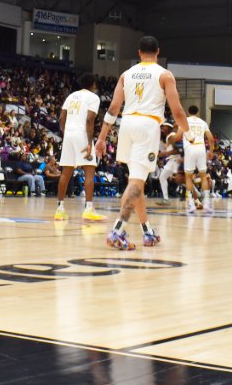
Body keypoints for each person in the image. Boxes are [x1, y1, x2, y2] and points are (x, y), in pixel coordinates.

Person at [94, 36, 188, 250]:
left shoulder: (126, 75)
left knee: (137, 182)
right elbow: (178, 111)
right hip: (147, 126)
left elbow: (112, 108)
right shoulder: (164, 74)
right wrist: (189, 134)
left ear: (138, 53)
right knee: (136, 184)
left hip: (125, 125)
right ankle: (117, 230)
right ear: (158, 52)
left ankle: (147, 231)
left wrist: (101, 138)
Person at [54, 72, 105, 222]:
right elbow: (90, 119)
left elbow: (61, 118)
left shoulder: (71, 96)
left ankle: (60, 209)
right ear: (93, 84)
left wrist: (66, 134)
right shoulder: (93, 97)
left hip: (69, 134)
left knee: (66, 172)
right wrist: (89, 142)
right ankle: (88, 209)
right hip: (82, 134)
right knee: (89, 170)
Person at [181, 105, 216, 212]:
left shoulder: (185, 121)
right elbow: (211, 139)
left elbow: (178, 136)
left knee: (188, 177)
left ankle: (191, 203)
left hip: (190, 148)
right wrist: (211, 151)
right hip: (201, 148)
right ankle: (206, 203)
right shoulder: (203, 122)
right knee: (203, 176)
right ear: (198, 112)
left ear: (188, 111)